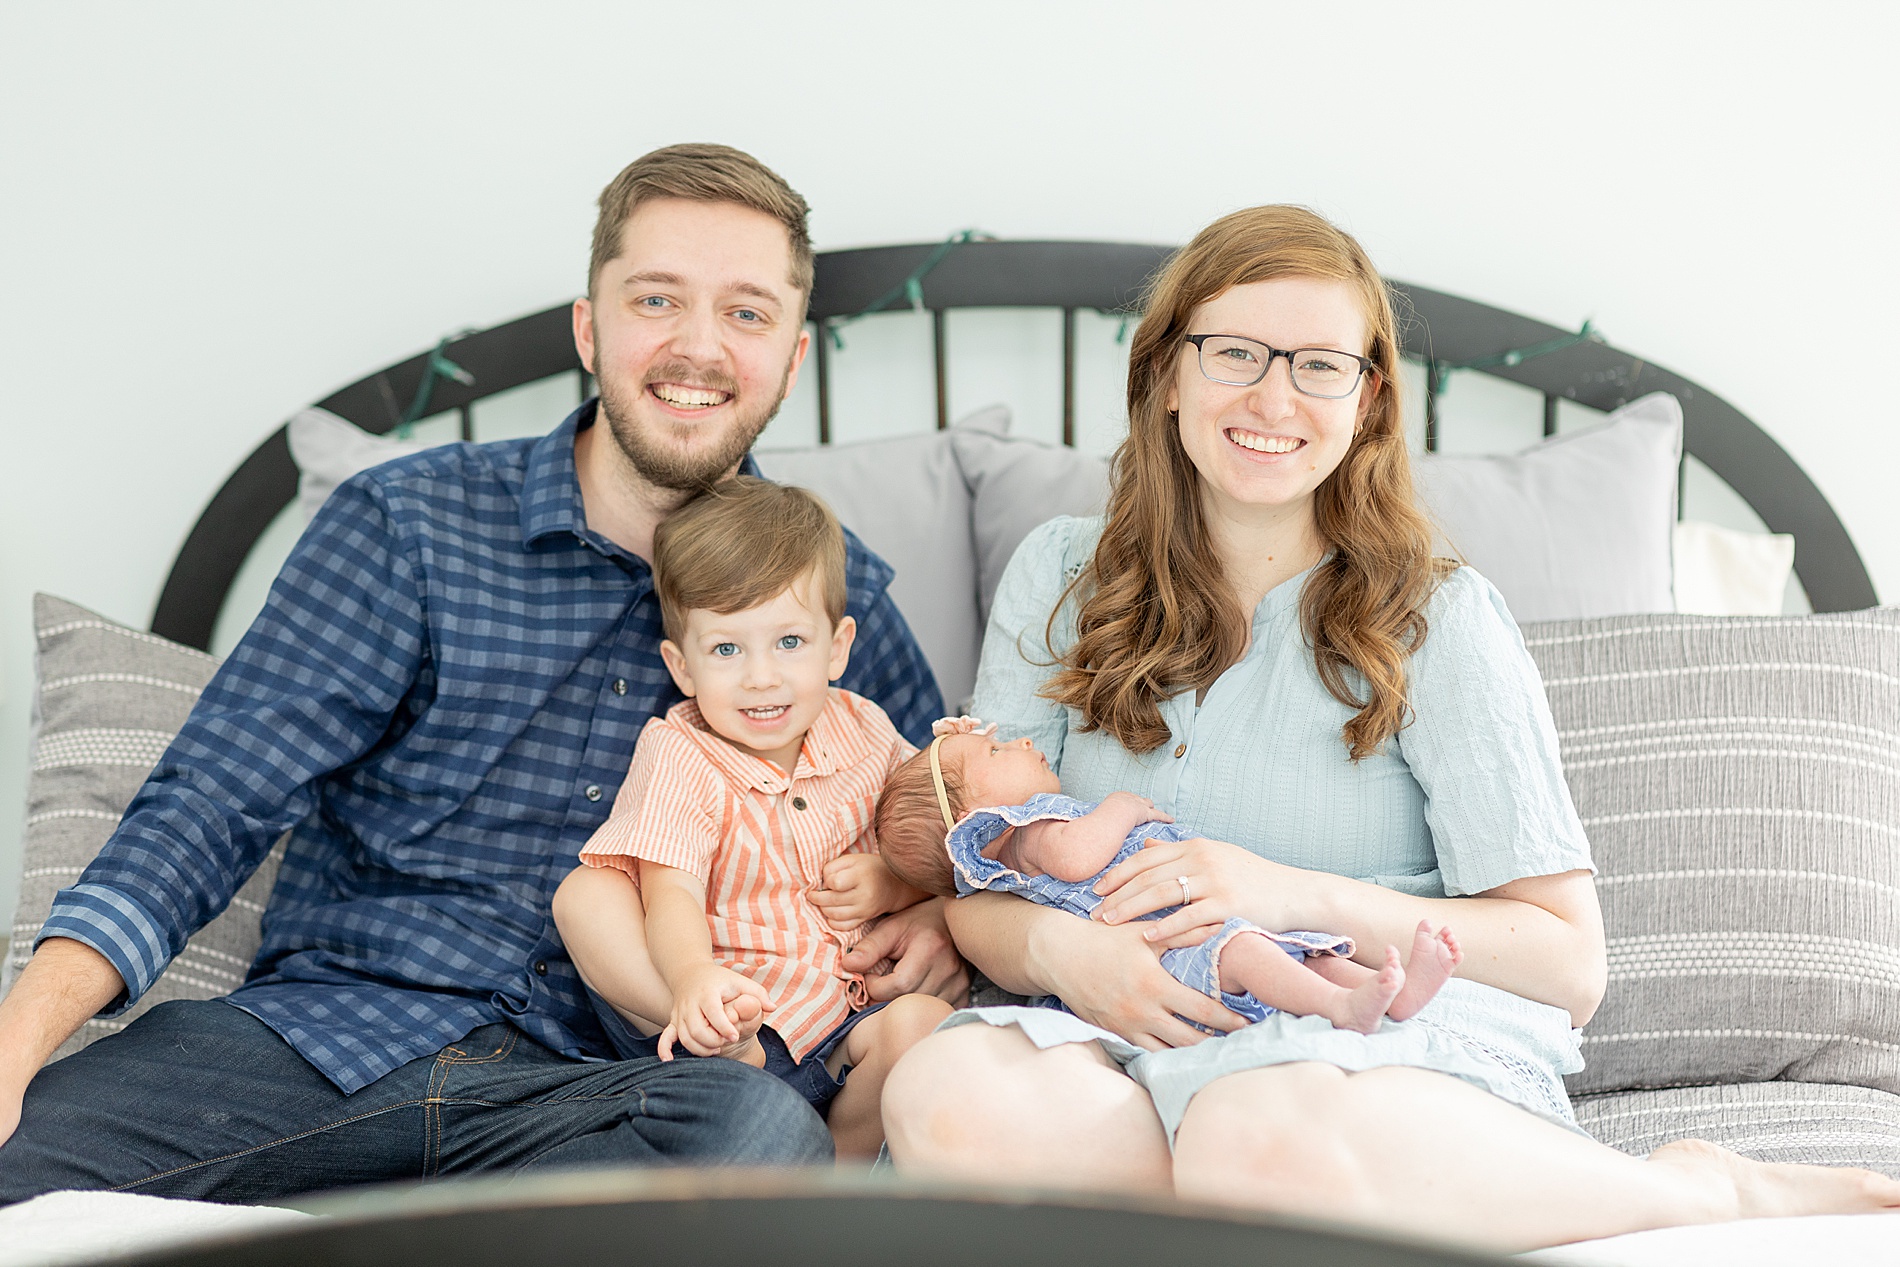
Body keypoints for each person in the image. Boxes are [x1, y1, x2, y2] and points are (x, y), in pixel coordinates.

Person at [876, 205, 1900, 1253]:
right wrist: (1062, 949)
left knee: (1251, 1127)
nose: (1273, 396)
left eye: (1319, 364)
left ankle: (1696, 1192)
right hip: (1115, 1023)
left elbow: (1566, 962)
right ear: (1165, 374)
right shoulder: (1058, 573)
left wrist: (1280, 892)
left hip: (1375, 1041)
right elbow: (980, 880)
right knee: (951, 1091)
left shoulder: (1437, 619)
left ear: (1366, 399)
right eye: (1234, 352)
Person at [0, 143, 965, 1206]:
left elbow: (937, 823)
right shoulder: (404, 523)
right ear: (588, 328)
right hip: (326, 1040)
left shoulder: (837, 603)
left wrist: (932, 917)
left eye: (746, 313)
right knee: (20, 1155)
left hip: (602, 1089)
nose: (698, 347)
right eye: (656, 299)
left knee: (757, 1130)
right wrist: (20, 1030)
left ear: (790, 358)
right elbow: (215, 798)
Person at [552, 477, 952, 1159]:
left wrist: (895, 883)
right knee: (584, 895)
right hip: (744, 1015)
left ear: (838, 647)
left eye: (790, 642)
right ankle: (716, 1040)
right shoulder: (681, 751)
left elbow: (936, 841)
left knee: (927, 1027)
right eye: (727, 650)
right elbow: (669, 891)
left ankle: (834, 1174)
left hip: (852, 1013)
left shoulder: (867, 729)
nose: (761, 676)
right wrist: (692, 981)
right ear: (682, 666)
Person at [874, 722, 1460, 1034]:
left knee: (1291, 952)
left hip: (1188, 918)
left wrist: (966, 745)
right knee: (1251, 952)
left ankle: (1385, 994)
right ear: (977, 818)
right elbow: (1078, 858)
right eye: (1000, 752)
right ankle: (1342, 1007)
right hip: (1163, 940)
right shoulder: (1031, 833)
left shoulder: (1013, 846)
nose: (1022, 741)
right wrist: (1122, 807)